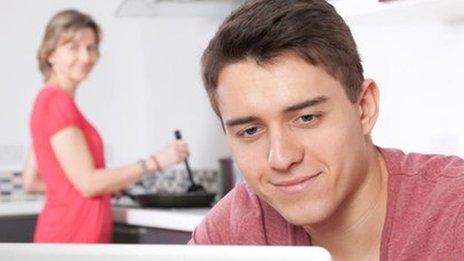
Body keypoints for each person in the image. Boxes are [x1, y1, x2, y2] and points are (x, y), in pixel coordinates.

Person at [189, 0, 464, 260]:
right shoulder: (235, 229)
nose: (282, 158)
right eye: (250, 131)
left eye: (306, 118)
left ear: (364, 107)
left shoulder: (455, 213)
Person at [23, 9, 190, 243]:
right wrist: (156, 162)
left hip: (64, 236)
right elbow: (89, 183)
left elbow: (32, 181)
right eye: (73, 47)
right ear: (50, 54)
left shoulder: (46, 101)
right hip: (72, 239)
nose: (85, 57)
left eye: (91, 48)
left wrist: (107, 186)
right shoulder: (57, 103)